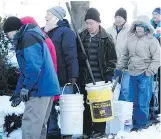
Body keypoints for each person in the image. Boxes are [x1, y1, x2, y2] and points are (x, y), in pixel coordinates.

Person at [3, 16, 60, 139]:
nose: (8, 37)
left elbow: (33, 68)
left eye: (8, 34)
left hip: (39, 89)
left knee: (31, 127)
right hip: (45, 88)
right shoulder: (29, 36)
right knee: (38, 128)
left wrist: (26, 87)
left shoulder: (27, 38)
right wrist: (18, 92)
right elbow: (26, 71)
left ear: (14, 30)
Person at [78, 8, 117, 139]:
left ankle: (99, 132)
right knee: (86, 105)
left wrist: (109, 73)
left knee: (99, 105)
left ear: (98, 22)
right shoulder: (81, 36)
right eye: (87, 23)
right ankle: (87, 131)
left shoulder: (106, 38)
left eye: (91, 23)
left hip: (99, 78)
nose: (88, 26)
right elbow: (75, 55)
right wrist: (80, 57)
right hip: (85, 77)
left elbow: (112, 59)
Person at [117, 15, 160, 130]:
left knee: (142, 101)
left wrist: (149, 71)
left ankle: (140, 125)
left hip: (144, 74)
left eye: (142, 26)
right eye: (137, 26)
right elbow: (125, 55)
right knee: (132, 100)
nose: (139, 28)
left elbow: (157, 58)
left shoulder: (152, 40)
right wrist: (119, 68)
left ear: (146, 27)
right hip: (132, 73)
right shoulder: (130, 39)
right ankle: (134, 123)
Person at [44, 6, 79, 139]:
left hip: (64, 76)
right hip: (48, 76)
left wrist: (73, 75)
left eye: (48, 13)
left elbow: (71, 54)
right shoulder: (44, 31)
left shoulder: (66, 32)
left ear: (56, 16)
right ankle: (53, 131)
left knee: (66, 106)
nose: (45, 16)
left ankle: (67, 132)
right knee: (50, 105)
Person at [106, 8, 130, 101]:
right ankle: (113, 111)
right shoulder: (108, 30)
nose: (118, 19)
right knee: (111, 88)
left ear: (125, 19)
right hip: (112, 66)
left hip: (125, 66)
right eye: (116, 17)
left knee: (125, 89)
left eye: (120, 17)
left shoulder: (130, 31)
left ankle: (124, 112)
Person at [150, 7, 160, 118]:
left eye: (156, 14)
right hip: (151, 59)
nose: (154, 16)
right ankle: (152, 108)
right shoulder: (149, 26)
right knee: (152, 85)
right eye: (153, 14)